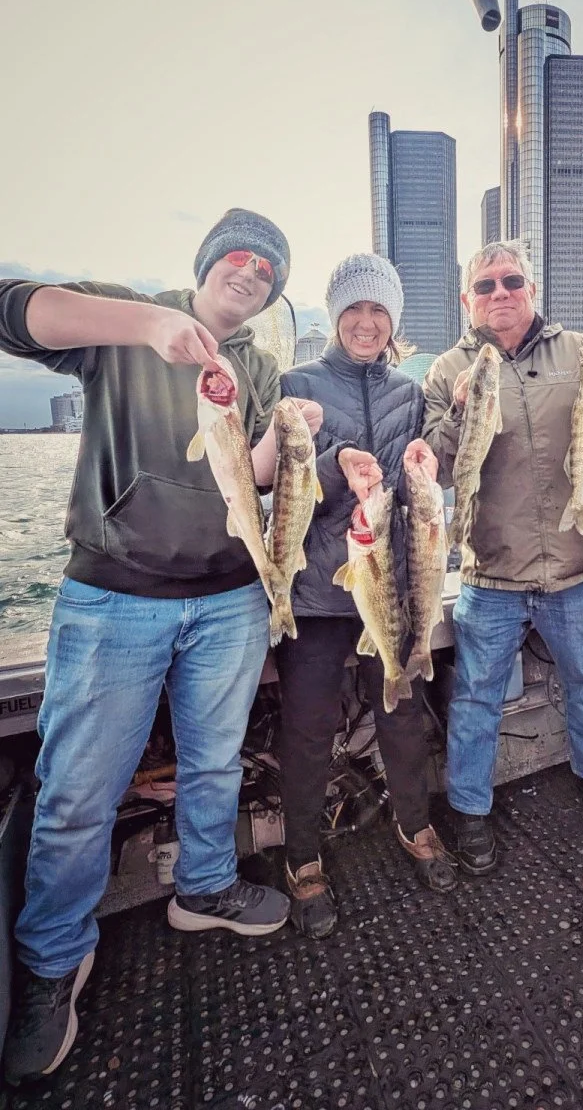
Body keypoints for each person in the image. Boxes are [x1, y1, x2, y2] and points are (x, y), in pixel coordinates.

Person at [0, 209, 320, 1086]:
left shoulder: (254, 364)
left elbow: (248, 476)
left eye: (272, 268)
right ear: (209, 262)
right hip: (115, 597)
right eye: (242, 257)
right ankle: (53, 960)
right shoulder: (126, 321)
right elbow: (14, 308)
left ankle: (204, 887)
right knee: (77, 791)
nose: (253, 272)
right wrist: (150, 323)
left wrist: (288, 426)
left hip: (228, 601)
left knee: (216, 763)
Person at [420, 240, 583, 877]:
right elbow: (435, 468)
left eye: (512, 281)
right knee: (475, 698)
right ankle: (470, 807)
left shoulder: (579, 349)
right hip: (490, 571)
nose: (500, 294)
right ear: (467, 299)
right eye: (486, 285)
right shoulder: (445, 370)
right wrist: (463, 407)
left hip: (576, 565)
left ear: (533, 289)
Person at [275, 253, 456, 939]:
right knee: (308, 729)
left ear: (393, 322)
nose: (367, 321)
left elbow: (418, 499)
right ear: (335, 314)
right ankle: (301, 858)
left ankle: (414, 825)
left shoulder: (409, 393)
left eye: (379, 310)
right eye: (355, 308)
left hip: (390, 590)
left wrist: (421, 476)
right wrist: (332, 465)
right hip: (319, 591)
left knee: (403, 717)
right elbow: (283, 493)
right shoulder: (299, 383)